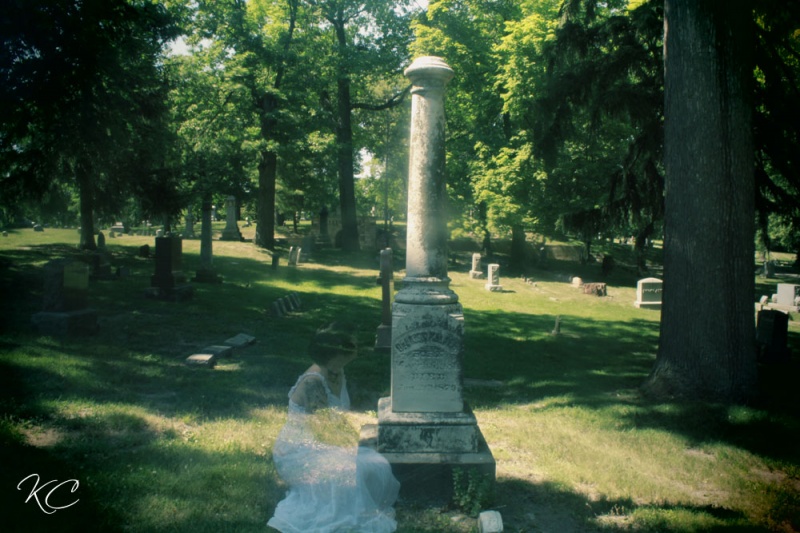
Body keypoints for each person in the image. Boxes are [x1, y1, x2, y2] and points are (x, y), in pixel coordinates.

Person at [268, 322, 400, 533]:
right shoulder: (313, 382)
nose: (357, 349)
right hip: (301, 451)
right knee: (353, 468)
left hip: (325, 441)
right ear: (339, 352)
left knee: (375, 463)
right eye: (353, 346)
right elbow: (322, 430)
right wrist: (352, 445)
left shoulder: (337, 371)